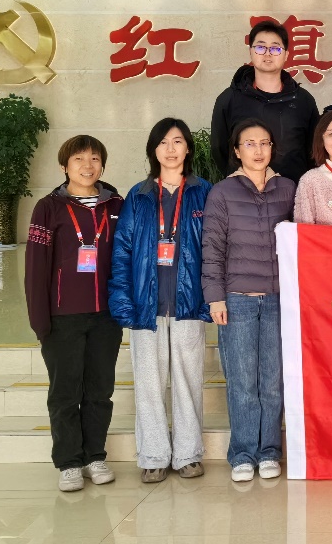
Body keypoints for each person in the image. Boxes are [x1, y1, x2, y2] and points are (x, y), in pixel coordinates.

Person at [108, 118, 212, 483]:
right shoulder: (138, 196)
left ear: (188, 148)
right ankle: (153, 455)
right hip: (145, 305)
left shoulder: (204, 192)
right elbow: (122, 251)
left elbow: (215, 249)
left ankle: (188, 454)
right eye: (163, 142)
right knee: (149, 385)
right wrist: (123, 302)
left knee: (188, 382)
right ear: (154, 150)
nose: (171, 149)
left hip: (188, 304)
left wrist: (210, 299)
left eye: (178, 141)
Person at [24, 135, 124, 493]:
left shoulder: (116, 205)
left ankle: (95, 456)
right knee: (65, 392)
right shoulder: (48, 208)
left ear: (103, 165)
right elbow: (36, 268)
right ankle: (68, 462)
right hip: (62, 317)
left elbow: (126, 259)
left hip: (106, 316)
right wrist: (40, 320)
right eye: (79, 158)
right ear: (64, 166)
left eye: (94, 158)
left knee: (100, 390)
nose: (87, 165)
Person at [202, 119, 296, 483]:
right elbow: (212, 248)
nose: (258, 150)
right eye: (250, 144)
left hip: (278, 300)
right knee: (242, 381)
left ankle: (269, 451)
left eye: (264, 143)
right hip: (237, 300)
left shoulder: (287, 188)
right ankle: (242, 453)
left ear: (273, 148)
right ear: (237, 151)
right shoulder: (222, 193)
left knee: (272, 381)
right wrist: (215, 298)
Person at [210, 20, 320, 182]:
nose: (268, 54)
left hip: (293, 190)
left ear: (286, 55)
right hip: (243, 190)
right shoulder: (229, 99)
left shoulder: (303, 100)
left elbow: (314, 150)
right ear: (251, 52)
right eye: (260, 47)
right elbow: (219, 149)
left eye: (275, 48)